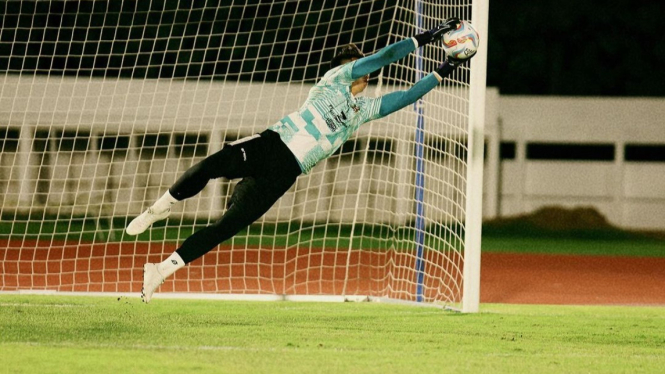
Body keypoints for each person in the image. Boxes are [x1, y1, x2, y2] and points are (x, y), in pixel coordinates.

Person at [126, 17, 476, 303]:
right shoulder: (333, 80)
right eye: (358, 65)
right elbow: (385, 56)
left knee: (227, 226)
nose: (365, 71)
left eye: (363, 67)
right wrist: (432, 35)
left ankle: (161, 270)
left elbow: (405, 96)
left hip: (286, 173)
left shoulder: (362, 110)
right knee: (211, 167)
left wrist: (447, 66)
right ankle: (163, 205)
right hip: (272, 145)